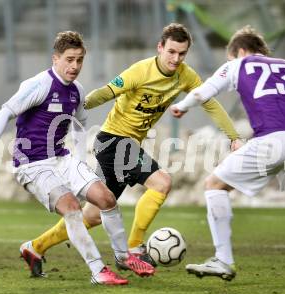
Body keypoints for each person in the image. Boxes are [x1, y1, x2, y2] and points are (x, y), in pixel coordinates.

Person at [21, 23, 242, 276]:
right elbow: (106, 92)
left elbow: (209, 103)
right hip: (113, 141)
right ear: (160, 47)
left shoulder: (186, 75)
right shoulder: (140, 71)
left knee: (93, 215)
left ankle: (35, 247)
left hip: (126, 145)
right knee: (162, 183)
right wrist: (73, 106)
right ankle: (135, 248)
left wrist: (233, 136)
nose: (176, 58)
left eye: (182, 54)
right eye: (171, 52)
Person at [0, 31, 155, 285]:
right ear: (55, 58)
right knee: (72, 209)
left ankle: (123, 257)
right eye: (69, 59)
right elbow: (5, 112)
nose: (74, 66)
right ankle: (99, 271)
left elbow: (78, 126)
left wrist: (79, 161)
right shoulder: (39, 85)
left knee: (106, 198)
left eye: (79, 60)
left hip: (62, 158)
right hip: (32, 164)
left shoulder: (77, 90)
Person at [170, 25, 285, 293]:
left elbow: (203, 92)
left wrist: (181, 106)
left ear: (239, 51)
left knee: (214, 185)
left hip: (272, 140)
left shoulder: (239, 64)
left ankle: (224, 260)